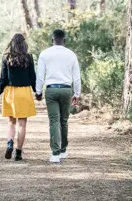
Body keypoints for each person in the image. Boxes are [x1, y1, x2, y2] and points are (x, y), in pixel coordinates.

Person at [36, 29, 81, 164]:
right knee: (64, 121)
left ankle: (55, 153)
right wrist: (77, 93)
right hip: (66, 90)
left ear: (52, 40)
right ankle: (63, 150)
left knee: (54, 121)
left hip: (51, 90)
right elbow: (77, 77)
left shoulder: (44, 54)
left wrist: (38, 92)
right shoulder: (71, 55)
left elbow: (40, 75)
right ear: (64, 40)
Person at [0, 33, 37, 161]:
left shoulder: (6, 58)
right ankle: (18, 152)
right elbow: (32, 77)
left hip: (10, 93)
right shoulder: (29, 58)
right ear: (24, 44)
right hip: (24, 92)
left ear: (11, 43)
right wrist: (38, 92)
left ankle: (9, 143)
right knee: (22, 124)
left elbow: (3, 79)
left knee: (11, 122)